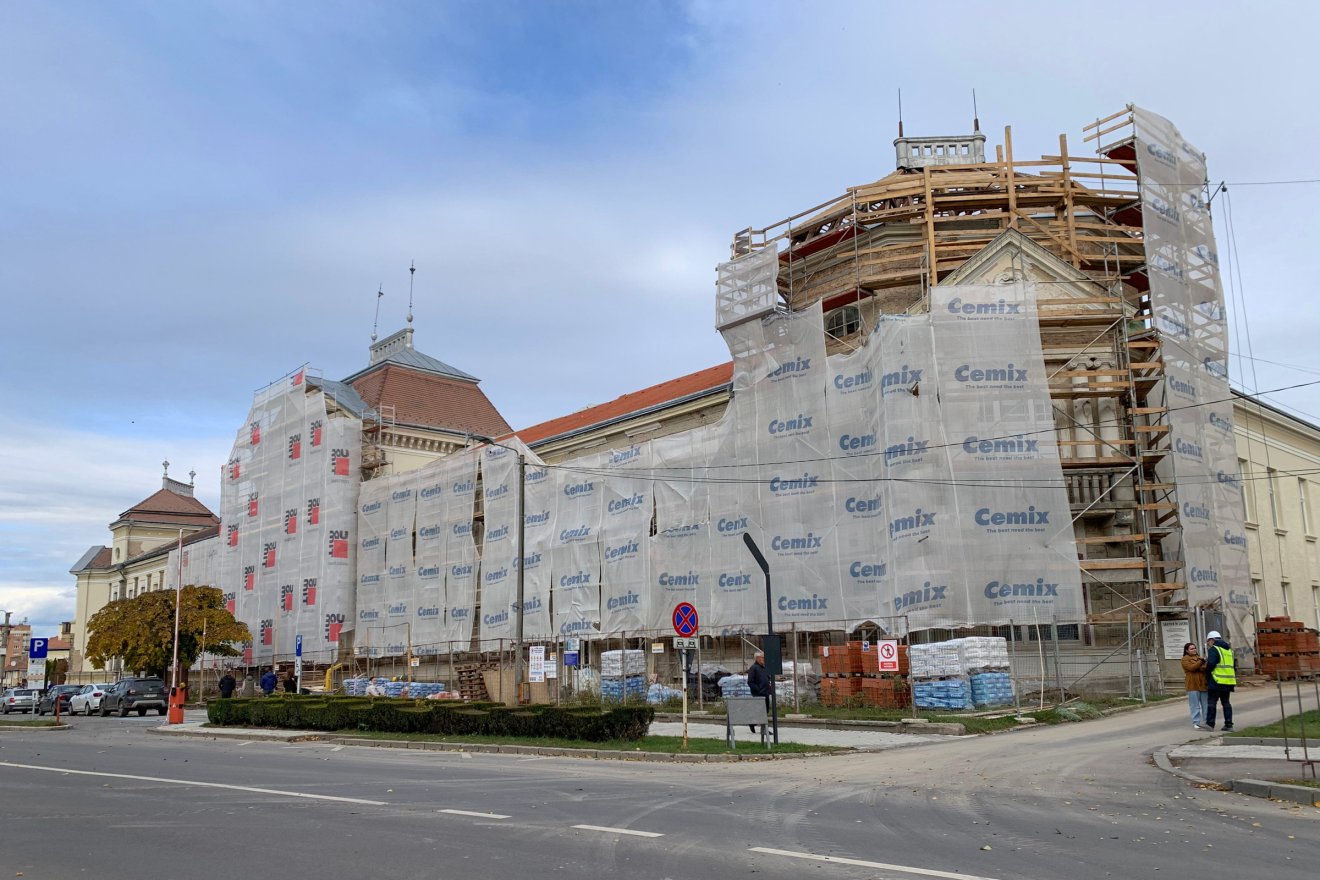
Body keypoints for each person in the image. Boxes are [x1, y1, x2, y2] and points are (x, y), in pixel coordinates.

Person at [1203, 630, 1236, 731]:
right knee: (1226, 702)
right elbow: (1233, 666)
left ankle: (1210, 724)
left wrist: (1207, 676)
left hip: (1216, 680)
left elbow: (1211, 664)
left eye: (1208, 641)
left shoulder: (1214, 649)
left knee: (1212, 702)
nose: (1208, 644)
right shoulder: (1229, 650)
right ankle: (1229, 724)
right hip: (1228, 681)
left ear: (1212, 640)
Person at [1180, 642, 1207, 730]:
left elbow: (1204, 668)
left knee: (1205, 704)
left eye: (1195, 648)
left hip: (1203, 684)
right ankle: (1196, 722)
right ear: (1187, 651)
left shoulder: (1199, 658)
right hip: (1192, 684)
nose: (1194, 650)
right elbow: (1191, 668)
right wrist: (1201, 662)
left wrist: (1201, 664)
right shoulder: (1184, 659)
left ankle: (1207, 722)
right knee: (1195, 705)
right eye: (1191, 649)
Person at [746, 651, 771, 734]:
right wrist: (758, 690)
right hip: (759, 694)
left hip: (765, 693)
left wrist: (769, 689)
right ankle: (764, 729)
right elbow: (750, 682)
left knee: (765, 711)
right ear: (757, 658)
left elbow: (767, 679)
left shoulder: (764, 668)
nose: (764, 659)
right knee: (761, 712)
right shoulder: (753, 668)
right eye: (762, 657)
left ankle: (752, 723)